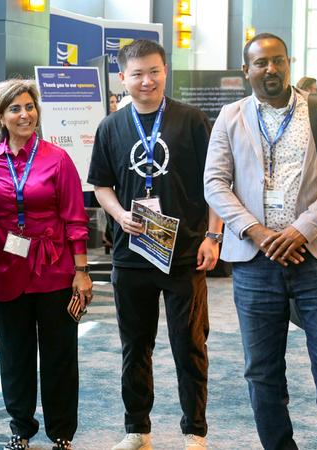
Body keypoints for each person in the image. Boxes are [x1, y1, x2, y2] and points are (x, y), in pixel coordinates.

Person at [204, 33, 317, 449]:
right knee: (261, 371)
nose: (270, 69)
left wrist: (300, 230)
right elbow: (215, 183)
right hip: (255, 264)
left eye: (278, 61)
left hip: (315, 259)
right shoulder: (230, 116)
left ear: (289, 62)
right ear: (247, 70)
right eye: (261, 63)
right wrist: (256, 232)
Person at [87, 39, 222, 450]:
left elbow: (216, 183)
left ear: (166, 72)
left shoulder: (193, 120)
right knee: (135, 347)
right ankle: (137, 429)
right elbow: (101, 185)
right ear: (123, 78)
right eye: (137, 73)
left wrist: (214, 236)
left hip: (184, 254)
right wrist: (119, 214)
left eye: (154, 71)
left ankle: (194, 431)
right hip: (131, 254)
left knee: (189, 346)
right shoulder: (111, 126)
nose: (146, 81)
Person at [0, 79, 91, 450]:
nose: (25, 115)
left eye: (30, 107)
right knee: (14, 354)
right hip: (5, 268)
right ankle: (20, 428)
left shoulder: (57, 158)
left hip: (54, 270)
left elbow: (75, 218)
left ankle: (61, 434)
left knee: (59, 357)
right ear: (0, 116)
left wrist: (81, 271)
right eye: (15, 109)